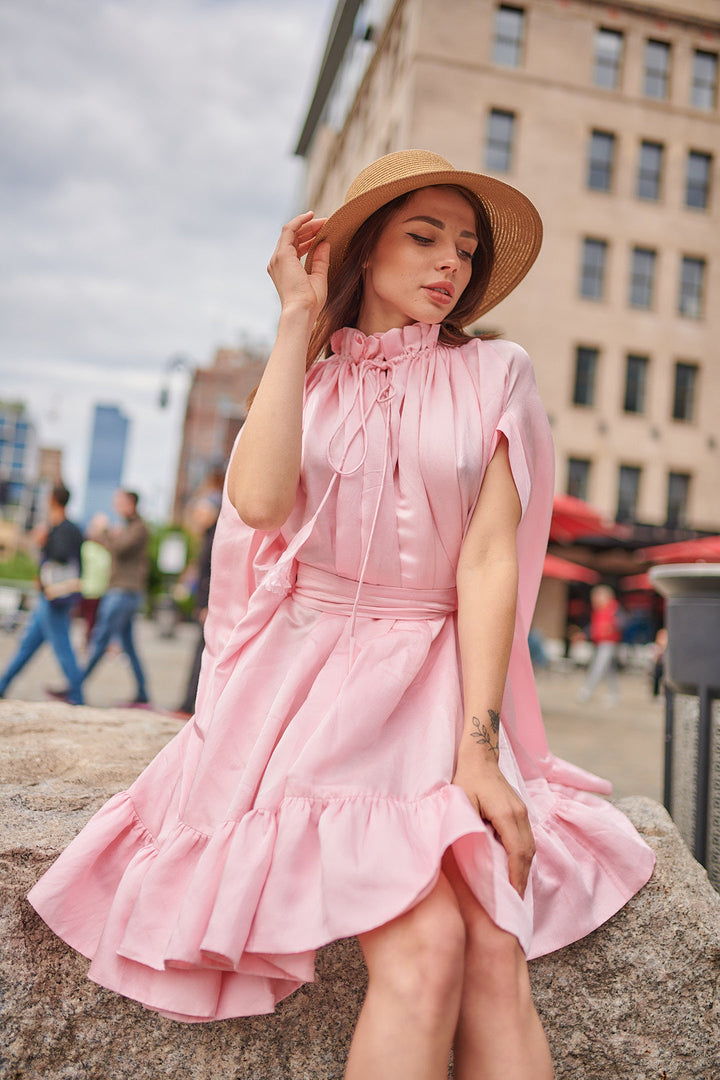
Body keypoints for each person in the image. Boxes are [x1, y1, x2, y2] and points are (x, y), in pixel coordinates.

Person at [28, 151, 655, 1077]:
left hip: (438, 680)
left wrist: (481, 747)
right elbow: (260, 500)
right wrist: (294, 319)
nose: (451, 263)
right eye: (424, 236)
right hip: (305, 687)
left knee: (488, 942)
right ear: (364, 251)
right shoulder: (307, 384)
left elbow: (487, 564)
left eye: (466, 246)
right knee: (435, 943)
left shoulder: (497, 374)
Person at [50, 489, 151, 706]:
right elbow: (108, 543)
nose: (115, 505)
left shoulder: (138, 528)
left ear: (131, 504)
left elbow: (119, 549)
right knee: (129, 648)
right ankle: (143, 694)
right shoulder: (127, 527)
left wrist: (105, 530)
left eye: (119, 502)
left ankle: (74, 687)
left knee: (100, 640)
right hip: (121, 592)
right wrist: (102, 533)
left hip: (124, 592)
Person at [0, 483, 84, 705]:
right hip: (50, 597)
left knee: (63, 649)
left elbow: (61, 556)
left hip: (54, 598)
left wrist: (43, 540)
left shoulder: (62, 528)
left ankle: (77, 697)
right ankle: (3, 684)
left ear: (53, 500)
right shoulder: (68, 527)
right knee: (27, 645)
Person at [174, 495, 221, 719]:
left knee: (202, 656)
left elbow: (214, 576)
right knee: (200, 655)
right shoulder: (208, 536)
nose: (196, 517)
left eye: (199, 513)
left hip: (211, 607)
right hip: (207, 605)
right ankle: (189, 703)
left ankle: (191, 705)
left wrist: (206, 605)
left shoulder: (217, 537)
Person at [578, 584, 622, 705]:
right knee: (608, 670)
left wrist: (614, 626)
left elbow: (622, 622)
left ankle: (587, 691)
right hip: (600, 642)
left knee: (598, 666)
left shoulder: (614, 609)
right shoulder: (599, 611)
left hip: (609, 643)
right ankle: (614, 694)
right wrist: (584, 634)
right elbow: (594, 627)